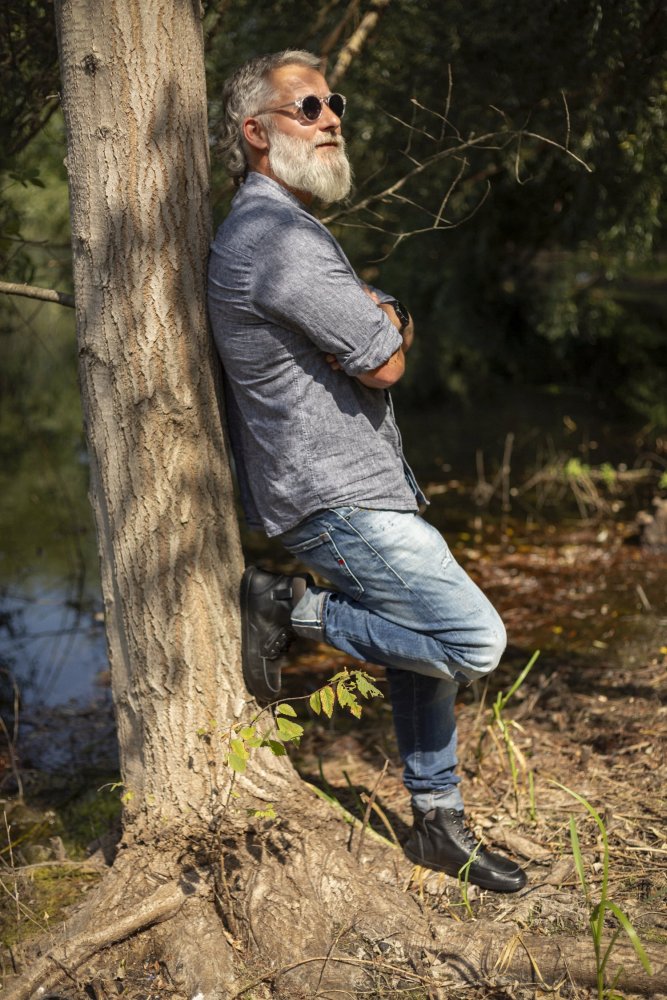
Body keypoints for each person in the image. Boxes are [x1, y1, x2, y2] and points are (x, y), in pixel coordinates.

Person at [207, 50, 526, 893]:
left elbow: (368, 342)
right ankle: (290, 606)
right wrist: (392, 314)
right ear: (256, 132)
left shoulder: (286, 230)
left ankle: (435, 822)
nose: (330, 118)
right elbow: (382, 359)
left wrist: (379, 319)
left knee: (416, 651)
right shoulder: (272, 236)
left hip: (351, 486)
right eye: (306, 107)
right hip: (334, 497)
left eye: (331, 103)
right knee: (471, 641)